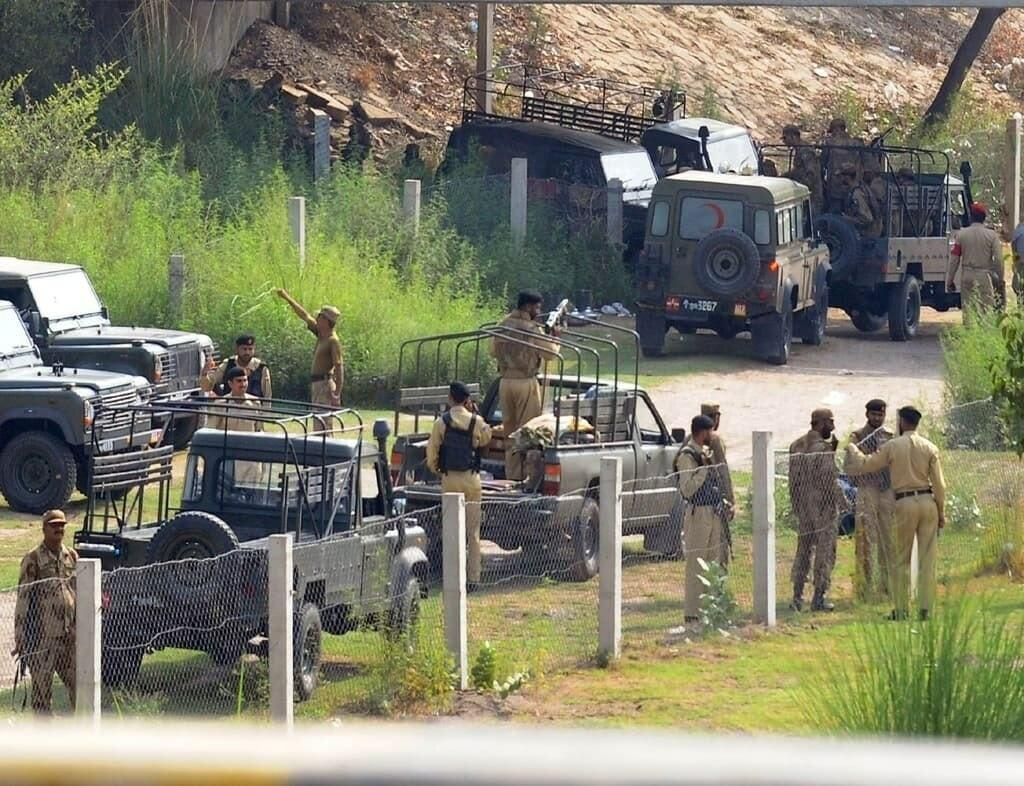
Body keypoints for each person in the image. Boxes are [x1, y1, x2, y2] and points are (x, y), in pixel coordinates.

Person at [845, 406, 945, 620]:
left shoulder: (893, 446)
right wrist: (941, 511)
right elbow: (940, 485)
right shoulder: (930, 447)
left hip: (905, 501)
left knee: (901, 559)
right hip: (928, 502)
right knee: (928, 559)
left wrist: (853, 449)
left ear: (901, 422)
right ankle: (926, 609)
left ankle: (901, 609)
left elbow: (866, 464)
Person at [425, 382, 492, 587]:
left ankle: (452, 576)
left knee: (451, 529)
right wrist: (475, 413)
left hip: (450, 479)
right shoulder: (477, 422)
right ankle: (473, 578)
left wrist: (439, 470)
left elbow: (431, 455)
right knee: (472, 532)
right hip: (471, 479)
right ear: (467, 400)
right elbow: (486, 439)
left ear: (449, 398)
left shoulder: (441, 423)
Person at [490, 291, 559, 481]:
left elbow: (492, 351)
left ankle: (511, 474)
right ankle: (525, 476)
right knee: (528, 431)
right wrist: (556, 338)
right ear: (528, 307)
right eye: (536, 307)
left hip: (505, 382)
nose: (538, 311)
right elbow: (551, 354)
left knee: (509, 432)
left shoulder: (502, 324)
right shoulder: (531, 328)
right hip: (525, 382)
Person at [13, 510, 77, 714]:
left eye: (62, 525)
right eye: (54, 525)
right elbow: (23, 599)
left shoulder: (71, 556)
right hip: (43, 640)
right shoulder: (33, 559)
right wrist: (20, 637)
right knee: (41, 696)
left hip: (69, 638)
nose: (59, 529)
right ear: (44, 529)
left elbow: (77, 590)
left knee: (79, 687)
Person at [788, 408, 847, 612]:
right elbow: (828, 480)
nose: (833, 426)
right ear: (821, 423)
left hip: (803, 506)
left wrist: (796, 504)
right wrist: (843, 502)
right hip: (823, 507)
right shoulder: (822, 449)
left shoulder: (796, 445)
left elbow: (792, 480)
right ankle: (819, 597)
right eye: (830, 422)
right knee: (825, 551)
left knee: (803, 550)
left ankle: (797, 595)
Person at [676, 415, 725, 623]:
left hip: (713, 512)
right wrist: (703, 471)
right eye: (710, 431)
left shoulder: (704, 453)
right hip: (698, 514)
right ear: (702, 432)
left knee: (713, 561)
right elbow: (686, 489)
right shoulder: (687, 456)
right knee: (696, 563)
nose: (712, 435)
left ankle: (709, 608)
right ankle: (692, 612)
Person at [848, 399, 895, 601]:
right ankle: (864, 587)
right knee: (865, 539)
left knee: (889, 539)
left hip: (887, 491)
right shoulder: (857, 436)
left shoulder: (891, 436)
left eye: (881, 415)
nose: (877, 418)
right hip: (867, 490)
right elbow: (850, 466)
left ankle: (888, 585)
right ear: (867, 414)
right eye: (874, 415)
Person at [275, 289, 344, 407]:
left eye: (319, 317)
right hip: (317, 384)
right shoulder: (321, 333)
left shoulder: (332, 340)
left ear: (326, 321)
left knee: (323, 421)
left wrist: (337, 393)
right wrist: (287, 298)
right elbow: (304, 315)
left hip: (325, 384)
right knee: (318, 419)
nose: (316, 319)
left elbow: (339, 367)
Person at [948, 202, 1004, 314]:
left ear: (971, 217)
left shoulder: (961, 234)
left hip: (966, 276)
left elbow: (954, 260)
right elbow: (998, 259)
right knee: (986, 312)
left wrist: (950, 280)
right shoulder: (992, 236)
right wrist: (1000, 279)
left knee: (968, 312)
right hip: (983, 276)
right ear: (984, 217)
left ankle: (969, 330)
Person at [701, 402, 734, 566]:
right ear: (715, 418)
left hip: (698, 501)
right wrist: (730, 500)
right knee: (720, 547)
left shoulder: (691, 438)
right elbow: (723, 471)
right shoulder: (715, 439)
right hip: (716, 499)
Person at [201, 335, 272, 400]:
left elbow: (267, 396)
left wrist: (265, 413)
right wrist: (205, 373)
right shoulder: (228, 364)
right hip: (229, 409)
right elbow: (207, 387)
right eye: (244, 349)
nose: (247, 352)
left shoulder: (261, 368)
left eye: (250, 349)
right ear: (237, 349)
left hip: (253, 410)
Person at [822, 118, 861, 213]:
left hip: (835, 187)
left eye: (832, 131)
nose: (832, 134)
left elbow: (822, 162)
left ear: (837, 129)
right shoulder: (856, 143)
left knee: (834, 215)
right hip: (852, 186)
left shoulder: (829, 143)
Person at [207, 366, 263, 433]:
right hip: (227, 442)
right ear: (230, 384)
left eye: (245, 380)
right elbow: (210, 429)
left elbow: (258, 430)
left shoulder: (255, 403)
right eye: (239, 381)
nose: (243, 384)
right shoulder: (220, 404)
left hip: (248, 442)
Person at [781, 125, 823, 214]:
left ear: (793, 136)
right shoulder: (799, 150)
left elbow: (811, 173)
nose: (784, 141)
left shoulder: (806, 151)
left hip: (812, 195)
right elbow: (798, 170)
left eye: (785, 138)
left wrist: (801, 187)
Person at [841, 165, 882, 238]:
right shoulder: (857, 189)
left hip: (868, 233)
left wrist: (847, 219)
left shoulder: (857, 194)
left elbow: (867, 219)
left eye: (841, 176)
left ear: (847, 177)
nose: (840, 179)